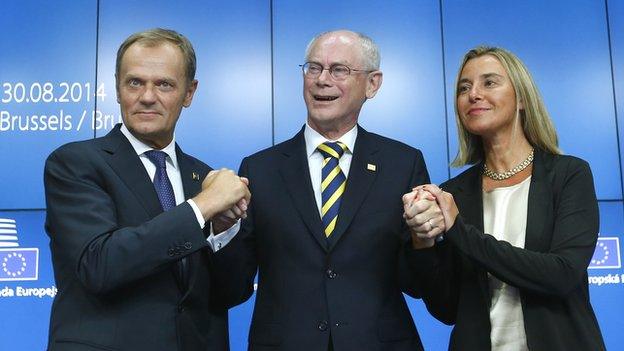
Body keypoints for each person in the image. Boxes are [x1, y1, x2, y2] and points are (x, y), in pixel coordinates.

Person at [44, 28, 251, 351]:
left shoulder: (203, 177)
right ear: (117, 87)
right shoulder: (74, 163)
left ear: (189, 92)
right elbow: (99, 266)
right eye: (135, 82)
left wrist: (222, 231)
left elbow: (232, 293)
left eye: (164, 84)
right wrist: (201, 208)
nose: (147, 96)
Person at [223, 30, 431, 350]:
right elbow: (232, 287)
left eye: (339, 70)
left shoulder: (402, 164)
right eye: (314, 68)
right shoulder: (259, 170)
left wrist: (424, 237)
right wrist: (223, 230)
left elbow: (418, 284)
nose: (322, 80)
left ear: (372, 84)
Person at [403, 46, 606, 350]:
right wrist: (423, 241)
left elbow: (562, 274)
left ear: (522, 98)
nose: (473, 94)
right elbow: (446, 309)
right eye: (464, 87)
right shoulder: (453, 194)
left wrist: (458, 229)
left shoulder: (568, 175)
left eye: (489, 82)